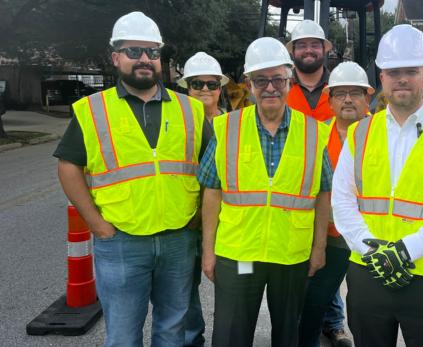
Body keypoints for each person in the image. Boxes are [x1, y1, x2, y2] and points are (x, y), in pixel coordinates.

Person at [53, 11, 208, 346]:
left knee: (172, 330)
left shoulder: (189, 109)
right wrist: (96, 224)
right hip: (120, 241)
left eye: (152, 52)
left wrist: (199, 217)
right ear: (116, 56)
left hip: (178, 239)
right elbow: (68, 166)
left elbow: (210, 168)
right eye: (134, 51)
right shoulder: (93, 109)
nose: (144, 60)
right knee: (123, 335)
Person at [331, 24, 423, 347]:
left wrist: (404, 251)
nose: (402, 79)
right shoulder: (360, 134)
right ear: (381, 78)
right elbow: (342, 201)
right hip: (369, 271)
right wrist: (373, 249)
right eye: (393, 71)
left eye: (411, 71)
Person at [197, 37, 333, 347]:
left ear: (289, 80)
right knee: (231, 332)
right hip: (239, 253)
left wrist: (319, 247)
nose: (270, 87)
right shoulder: (227, 128)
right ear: (249, 84)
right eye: (261, 80)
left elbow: (323, 193)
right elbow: (211, 191)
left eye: (277, 79)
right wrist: (208, 251)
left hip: (291, 253)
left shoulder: (313, 132)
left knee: (290, 334)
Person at [298, 61, 374, 347]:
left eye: (355, 93)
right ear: (329, 101)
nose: (347, 100)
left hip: (370, 238)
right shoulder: (315, 135)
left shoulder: (383, 134)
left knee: (366, 308)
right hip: (329, 237)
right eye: (340, 93)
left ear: (368, 98)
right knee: (313, 302)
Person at [178, 51, 229, 347]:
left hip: (226, 221)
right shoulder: (178, 123)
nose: (205, 90)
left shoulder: (232, 124)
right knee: (186, 288)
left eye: (211, 84)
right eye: (198, 84)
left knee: (230, 285)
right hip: (185, 220)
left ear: (220, 88)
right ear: (187, 87)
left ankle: (226, 336)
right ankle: (191, 339)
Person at [286, 19, 334, 122]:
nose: (308, 50)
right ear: (293, 51)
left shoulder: (339, 86)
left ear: (324, 49)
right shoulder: (280, 87)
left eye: (315, 45)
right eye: (302, 45)